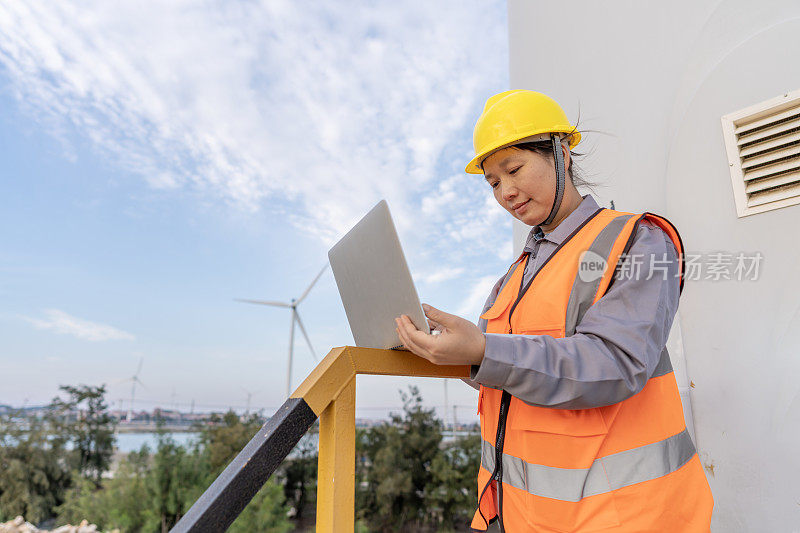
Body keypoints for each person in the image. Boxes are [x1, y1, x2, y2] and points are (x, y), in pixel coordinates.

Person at [395, 90, 714, 532]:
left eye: (514, 169)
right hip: (516, 516)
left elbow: (615, 363)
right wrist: (452, 352)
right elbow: (509, 377)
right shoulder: (514, 276)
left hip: (622, 519)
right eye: (491, 182)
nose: (505, 192)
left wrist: (484, 352)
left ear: (562, 153)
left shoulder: (638, 240)